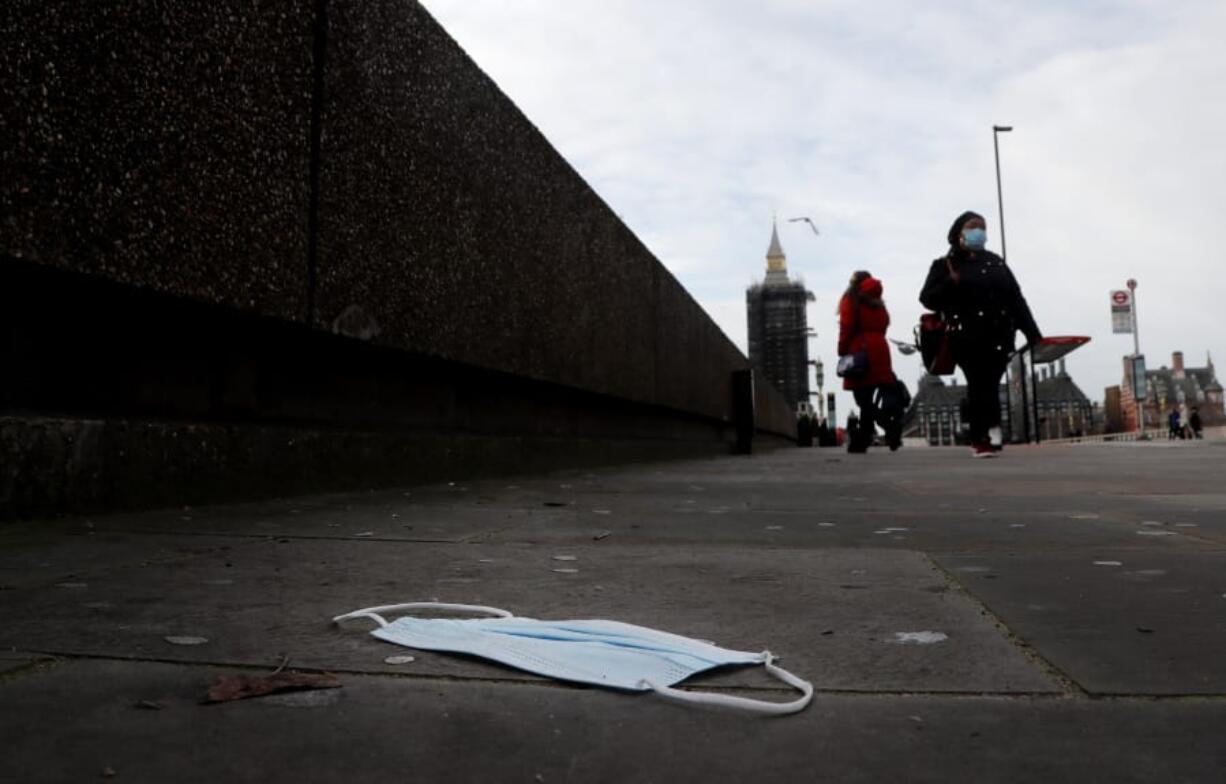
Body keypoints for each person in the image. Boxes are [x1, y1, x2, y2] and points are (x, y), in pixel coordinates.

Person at [920, 211, 1041, 458]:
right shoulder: (945, 264)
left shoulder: (995, 262)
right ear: (959, 233)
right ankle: (980, 438)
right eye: (973, 226)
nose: (979, 231)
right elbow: (927, 298)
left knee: (992, 382)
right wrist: (949, 284)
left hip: (999, 334)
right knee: (977, 383)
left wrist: (1032, 333)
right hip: (966, 335)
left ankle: (993, 429)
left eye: (983, 227)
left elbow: (1016, 298)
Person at [838, 271, 898, 453]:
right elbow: (885, 323)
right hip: (880, 349)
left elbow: (846, 326)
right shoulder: (879, 303)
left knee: (862, 399)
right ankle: (862, 441)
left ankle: (888, 426)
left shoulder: (852, 300)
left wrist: (842, 349)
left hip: (860, 351)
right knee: (868, 397)